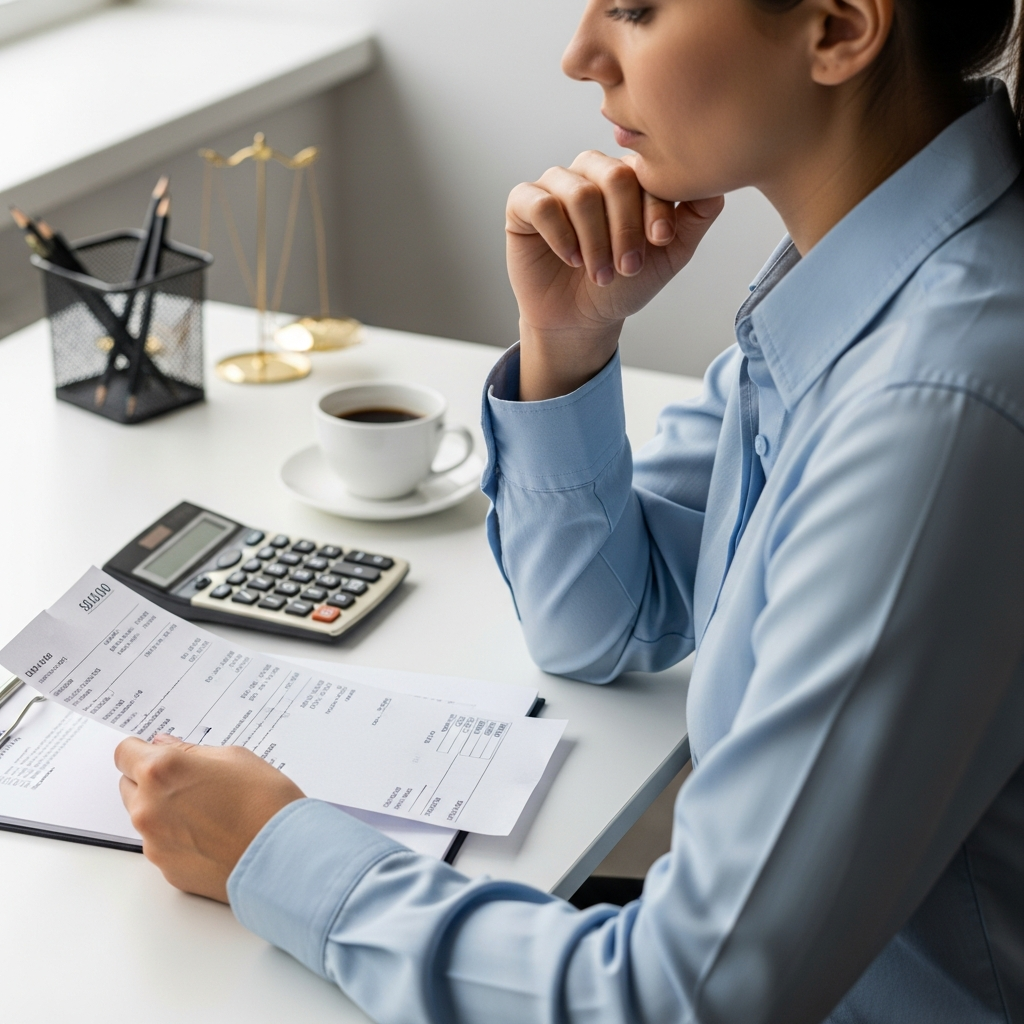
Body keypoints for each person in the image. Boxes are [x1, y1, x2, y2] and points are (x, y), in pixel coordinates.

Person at [115, 0, 1024, 1020]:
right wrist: (566, 340)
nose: (579, 55)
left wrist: (278, 854)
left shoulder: (933, 404)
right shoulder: (857, 285)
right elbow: (602, 622)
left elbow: (678, 997)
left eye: (634, 9)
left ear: (838, 28)